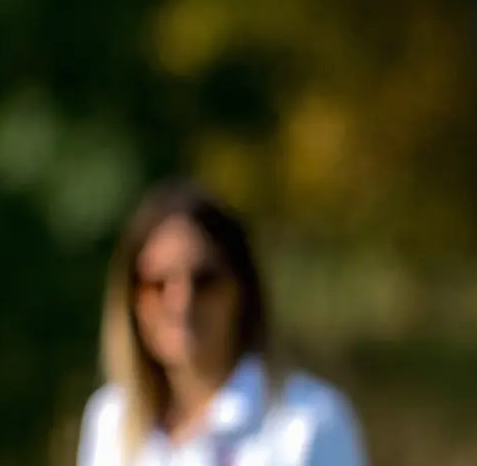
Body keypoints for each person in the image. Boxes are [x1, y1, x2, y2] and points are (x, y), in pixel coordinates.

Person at [77, 180, 365, 466]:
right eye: (157, 284)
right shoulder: (109, 420)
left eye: (204, 280)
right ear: (131, 298)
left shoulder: (308, 422)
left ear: (241, 290)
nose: (181, 302)